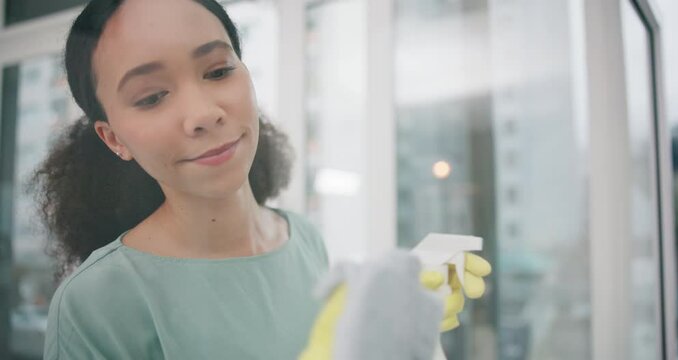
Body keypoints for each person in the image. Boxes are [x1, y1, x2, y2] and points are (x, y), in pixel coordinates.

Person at [33, 0, 490, 358]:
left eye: (217, 71)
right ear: (115, 139)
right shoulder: (96, 303)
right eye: (152, 97)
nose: (203, 114)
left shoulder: (303, 236)